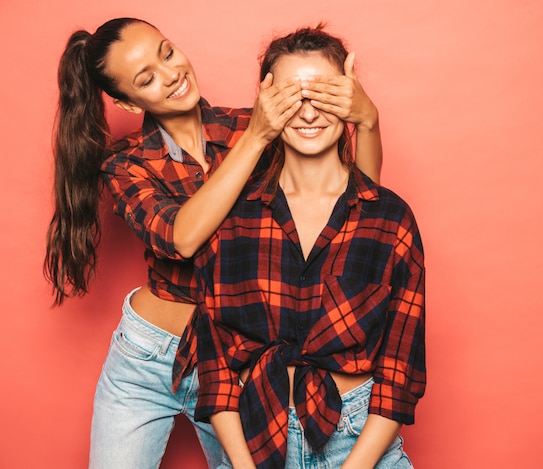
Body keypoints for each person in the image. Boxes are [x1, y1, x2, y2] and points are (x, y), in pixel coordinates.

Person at [43, 18, 383, 469]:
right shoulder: (126, 165)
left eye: (167, 52)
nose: (170, 74)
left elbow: (356, 207)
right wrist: (259, 136)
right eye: (146, 78)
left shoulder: (251, 126)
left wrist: (367, 120)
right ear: (126, 101)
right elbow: (181, 239)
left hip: (235, 358)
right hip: (147, 358)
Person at [189, 25, 425, 469]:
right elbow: (214, 360)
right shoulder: (231, 215)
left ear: (349, 97)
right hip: (253, 439)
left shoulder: (389, 218)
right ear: (266, 105)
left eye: (324, 95)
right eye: (292, 98)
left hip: (357, 443)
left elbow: (400, 373)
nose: (309, 113)